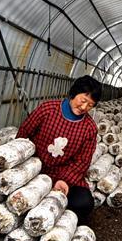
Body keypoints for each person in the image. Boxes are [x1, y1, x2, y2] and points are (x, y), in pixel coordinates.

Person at [16, 75, 101, 225]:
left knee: (84, 203)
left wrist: (64, 181)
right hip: (35, 170)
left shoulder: (89, 128)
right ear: (74, 93)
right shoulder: (48, 109)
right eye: (83, 101)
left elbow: (82, 161)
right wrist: (26, 166)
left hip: (63, 175)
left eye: (90, 105)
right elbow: (24, 134)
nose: (84, 107)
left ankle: (60, 224)